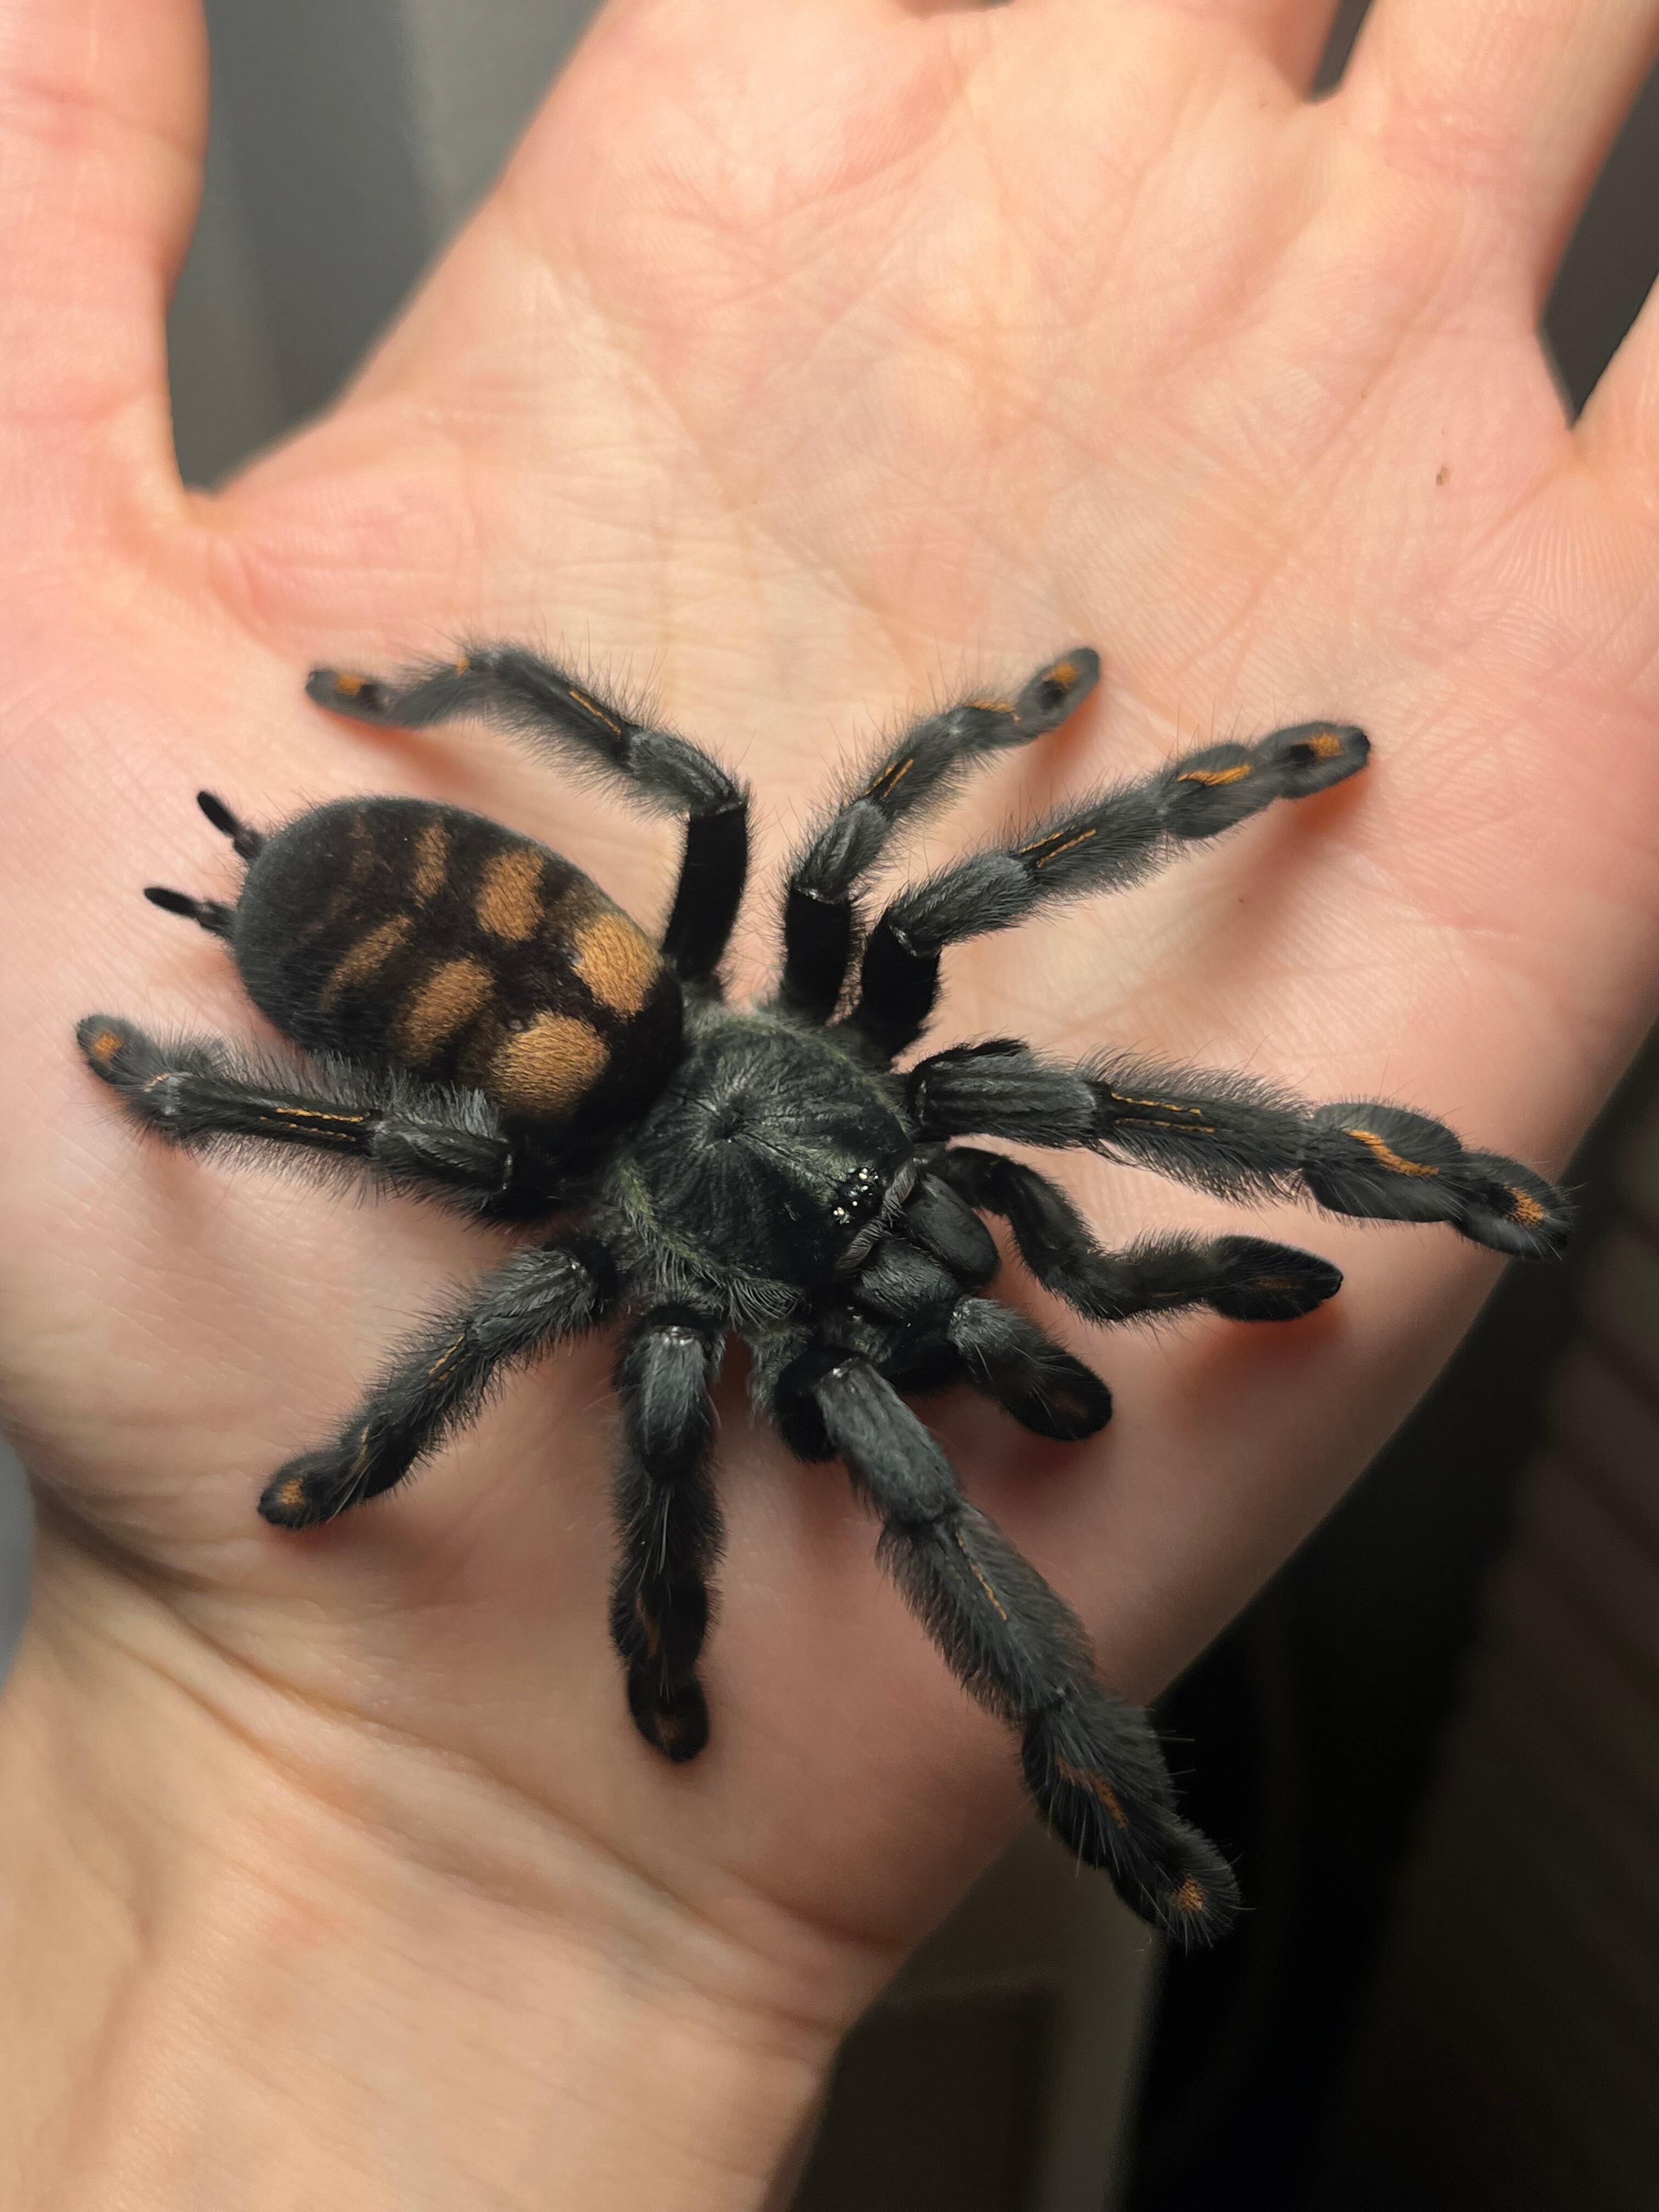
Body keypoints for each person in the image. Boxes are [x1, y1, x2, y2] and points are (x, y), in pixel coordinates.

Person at [2, 0, 1655, 2202]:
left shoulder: (827, 1110)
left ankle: (1415, 1181)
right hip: (403, 960)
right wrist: (217, 1134)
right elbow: (593, 1341)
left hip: (582, 1007)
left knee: (806, 881)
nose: (956, 1258)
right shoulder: (686, 1261)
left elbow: (893, 858)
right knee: (745, 1010)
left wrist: (1073, 749)